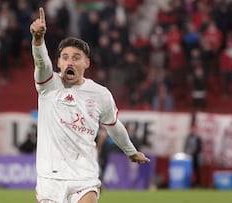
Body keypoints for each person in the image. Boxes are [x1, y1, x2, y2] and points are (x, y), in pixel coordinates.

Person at [30, 7, 150, 203]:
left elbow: (114, 126)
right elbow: (41, 63)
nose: (70, 62)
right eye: (65, 57)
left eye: (76, 58)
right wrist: (38, 40)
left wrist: (131, 151)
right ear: (59, 63)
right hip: (50, 177)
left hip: (84, 176)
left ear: (86, 63)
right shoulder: (49, 86)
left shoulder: (100, 94)